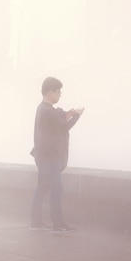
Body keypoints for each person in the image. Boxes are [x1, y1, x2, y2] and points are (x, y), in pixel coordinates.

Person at [30, 77, 84, 234]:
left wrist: (68, 113)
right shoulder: (48, 110)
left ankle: (36, 221)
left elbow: (57, 121)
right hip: (49, 157)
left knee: (42, 188)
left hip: (42, 155)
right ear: (49, 92)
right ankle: (58, 224)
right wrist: (77, 115)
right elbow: (64, 127)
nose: (60, 95)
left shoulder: (42, 108)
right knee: (57, 188)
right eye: (58, 92)